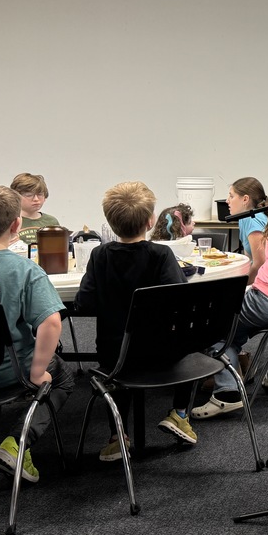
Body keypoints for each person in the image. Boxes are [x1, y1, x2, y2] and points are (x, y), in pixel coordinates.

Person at [73, 181, 193, 462]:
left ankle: (117, 436)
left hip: (114, 356)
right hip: (162, 354)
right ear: (150, 221)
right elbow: (180, 300)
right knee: (189, 341)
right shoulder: (161, 255)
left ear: (110, 222)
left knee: (115, 364)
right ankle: (179, 413)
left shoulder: (99, 255)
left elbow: (84, 304)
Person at [0, 185, 73, 483]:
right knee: (63, 377)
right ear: (16, 225)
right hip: (8, 372)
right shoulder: (25, 270)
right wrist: (38, 371)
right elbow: (51, 323)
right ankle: (17, 443)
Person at [192, 179, 268, 419]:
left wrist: (241, 287)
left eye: (231, 195)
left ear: (245, 199)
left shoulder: (250, 219)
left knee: (216, 326)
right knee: (266, 327)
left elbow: (260, 262)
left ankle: (227, 393)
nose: (227, 201)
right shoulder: (264, 216)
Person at [10, 172, 60, 247]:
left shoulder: (51, 222)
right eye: (29, 195)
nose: (36, 199)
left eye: (40, 194)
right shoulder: (9, 221)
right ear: (16, 197)